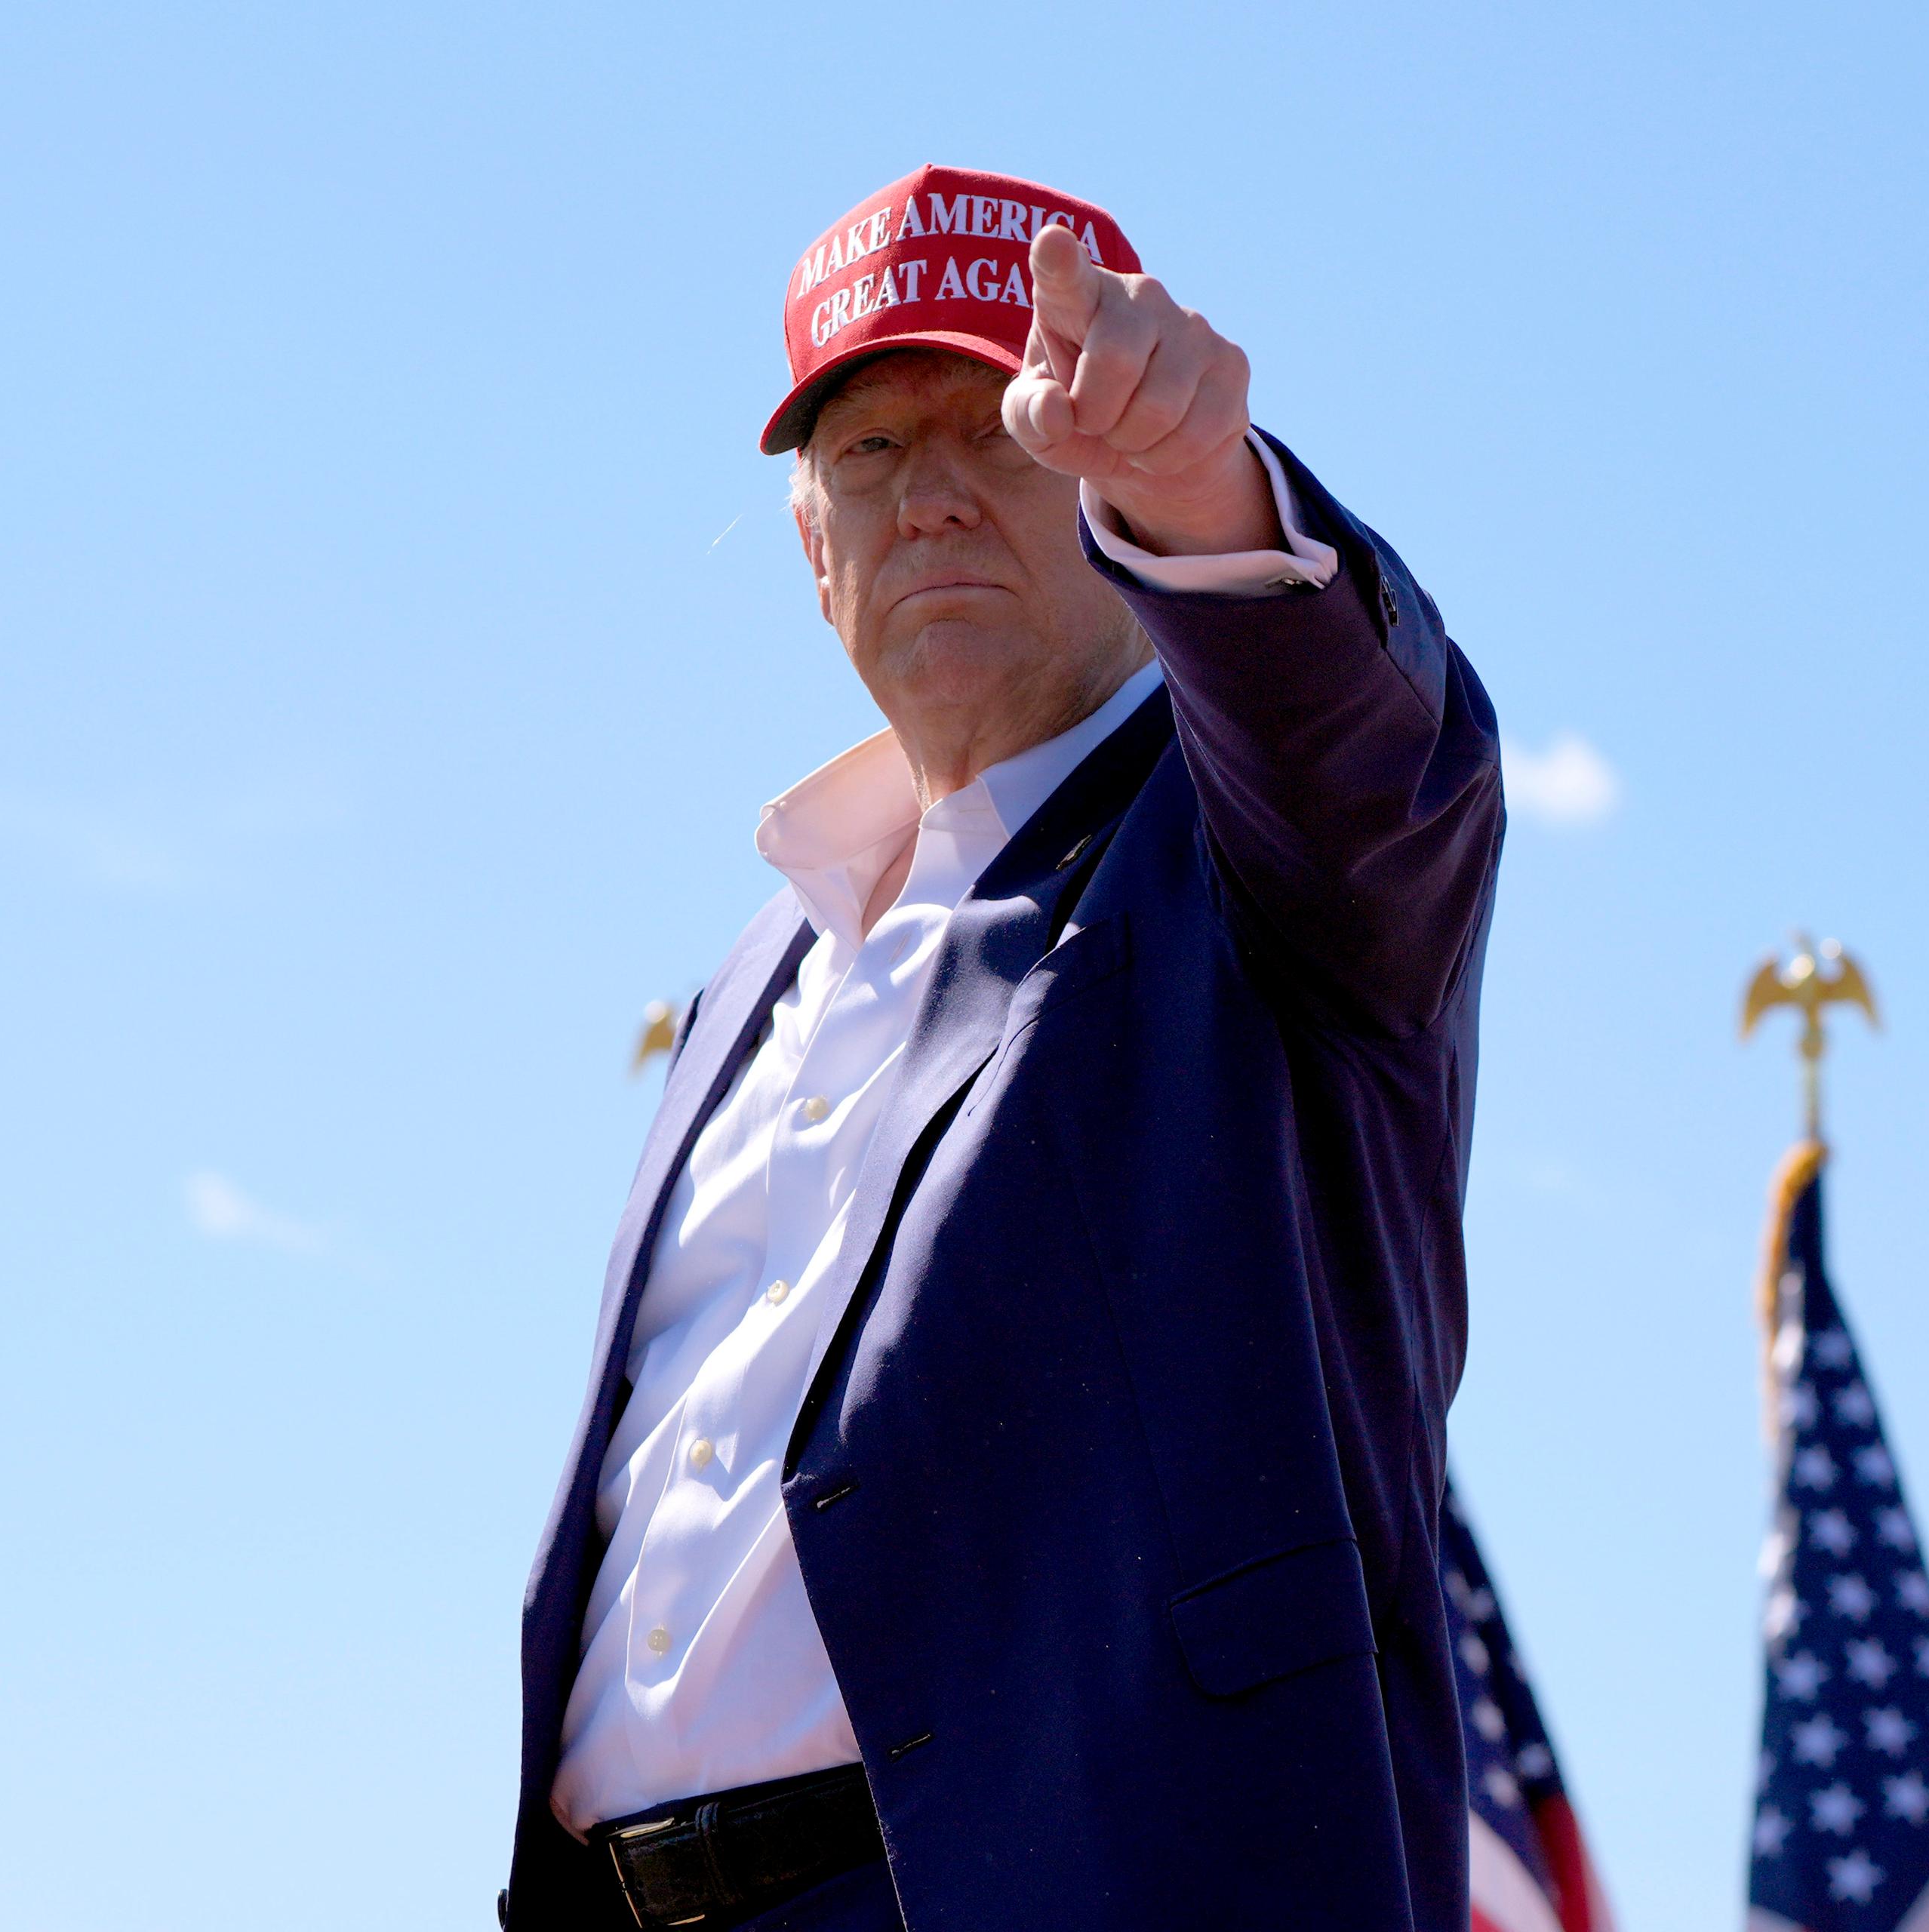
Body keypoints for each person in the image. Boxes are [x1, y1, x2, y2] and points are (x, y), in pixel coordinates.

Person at [499, 165, 1503, 1932]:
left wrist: (1213, 496)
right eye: (871, 454)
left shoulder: (1261, 868)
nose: (938, 497)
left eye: (1001, 431)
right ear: (815, 547)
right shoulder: (753, 981)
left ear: (1108, 493)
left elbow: (1374, 754)